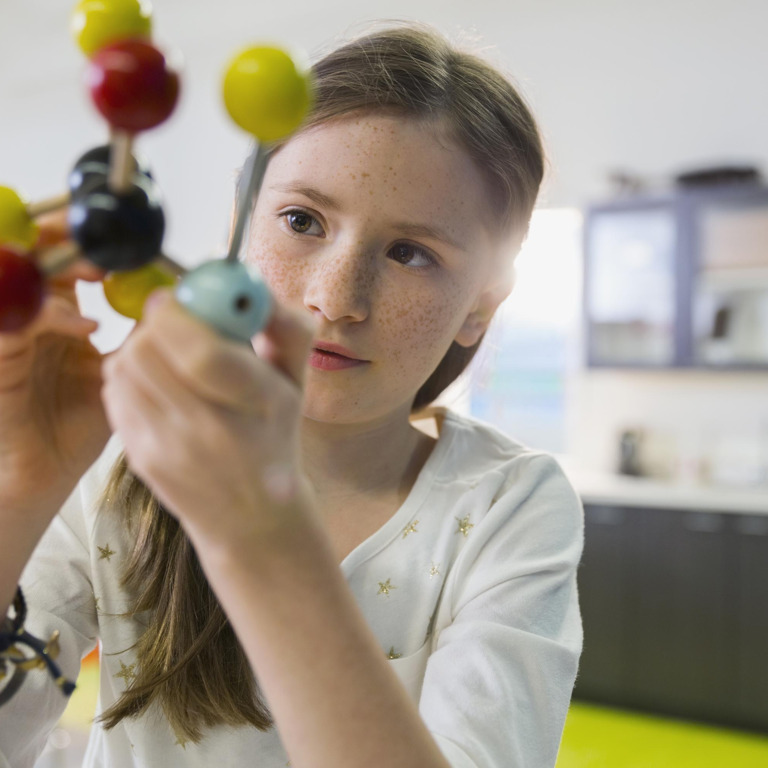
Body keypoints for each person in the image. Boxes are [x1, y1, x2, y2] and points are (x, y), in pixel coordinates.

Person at [0, 22, 583, 768]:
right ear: (239, 234)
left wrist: (263, 534)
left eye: (411, 253)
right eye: (302, 220)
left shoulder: (508, 506)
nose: (336, 299)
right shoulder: (125, 461)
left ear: (482, 305)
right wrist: (20, 489)